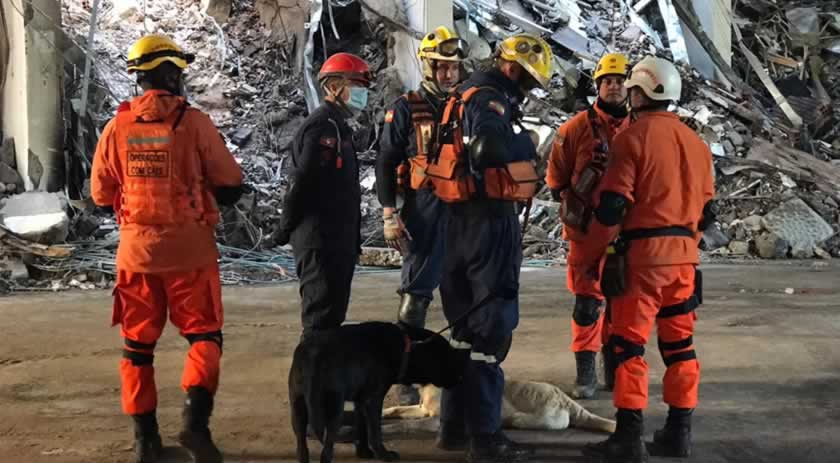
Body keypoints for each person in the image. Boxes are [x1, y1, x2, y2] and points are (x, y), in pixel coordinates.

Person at [91, 34, 244, 463]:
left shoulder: (116, 128)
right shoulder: (194, 124)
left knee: (137, 348)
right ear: (172, 75)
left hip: (136, 256)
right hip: (190, 253)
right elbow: (230, 181)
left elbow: (100, 195)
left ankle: (145, 440)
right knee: (204, 336)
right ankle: (195, 427)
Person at [574, 56, 715, 463]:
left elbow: (612, 208)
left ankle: (628, 436)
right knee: (680, 347)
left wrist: (594, 254)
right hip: (685, 263)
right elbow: (707, 213)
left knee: (628, 348)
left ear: (639, 93)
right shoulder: (697, 144)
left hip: (642, 262)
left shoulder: (631, 139)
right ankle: (678, 433)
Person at [425, 33, 553, 463]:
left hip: (453, 225)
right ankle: (486, 438)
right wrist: (526, 144)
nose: (528, 90)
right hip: (487, 225)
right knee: (490, 332)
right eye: (528, 81)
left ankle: (453, 427)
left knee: (462, 332)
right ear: (512, 68)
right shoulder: (490, 99)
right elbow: (486, 149)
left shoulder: (461, 95)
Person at [375, 25, 468, 405]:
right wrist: (389, 214)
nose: (448, 73)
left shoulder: (468, 106)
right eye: (441, 66)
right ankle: (403, 376)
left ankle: (461, 370)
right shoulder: (405, 109)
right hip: (424, 211)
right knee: (416, 295)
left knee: (465, 293)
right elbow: (385, 161)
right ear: (427, 66)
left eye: (453, 67)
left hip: (463, 211)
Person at [545, 52, 631, 399]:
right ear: (598, 85)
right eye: (608, 81)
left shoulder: (641, 127)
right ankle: (585, 373)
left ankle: (615, 369)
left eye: (620, 80)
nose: (614, 86)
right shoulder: (575, 129)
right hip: (587, 233)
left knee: (622, 303)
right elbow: (556, 182)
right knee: (587, 305)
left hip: (628, 233)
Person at [273, 52, 369, 340]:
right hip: (320, 241)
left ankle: (323, 367)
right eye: (356, 85)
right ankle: (310, 369)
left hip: (335, 239)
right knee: (320, 321)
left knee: (331, 319)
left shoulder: (338, 126)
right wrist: (284, 229)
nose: (362, 93)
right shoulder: (322, 126)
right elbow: (302, 183)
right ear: (334, 86)